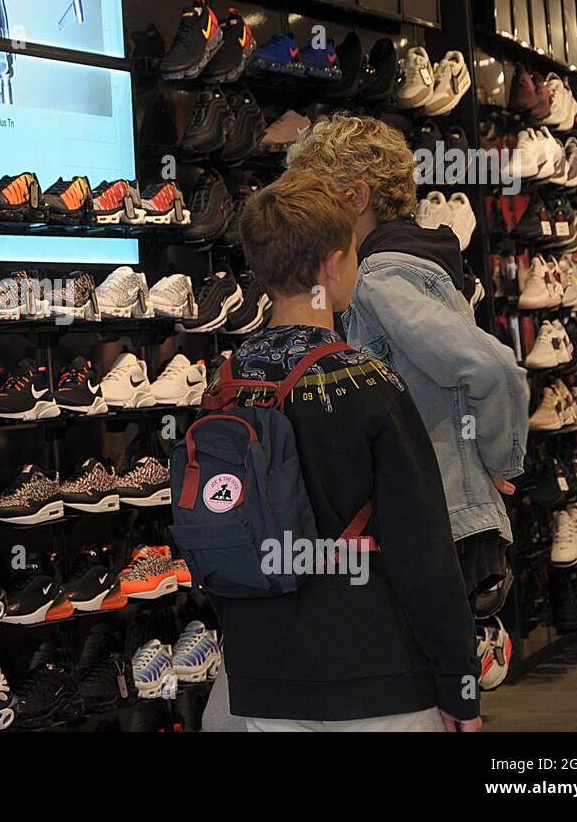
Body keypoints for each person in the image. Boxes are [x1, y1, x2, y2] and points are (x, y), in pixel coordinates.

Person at [201, 169, 480, 732]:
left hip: (264, 680)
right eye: (353, 253)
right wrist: (460, 685)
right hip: (377, 677)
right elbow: (423, 554)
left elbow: (214, 536)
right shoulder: (371, 385)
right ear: (332, 264)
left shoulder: (223, 385)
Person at [286, 114, 527, 600]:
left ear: (357, 197)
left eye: (319, 200)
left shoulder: (382, 276)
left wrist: (502, 463)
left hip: (438, 524)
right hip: (441, 520)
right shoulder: (404, 264)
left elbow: (494, 370)